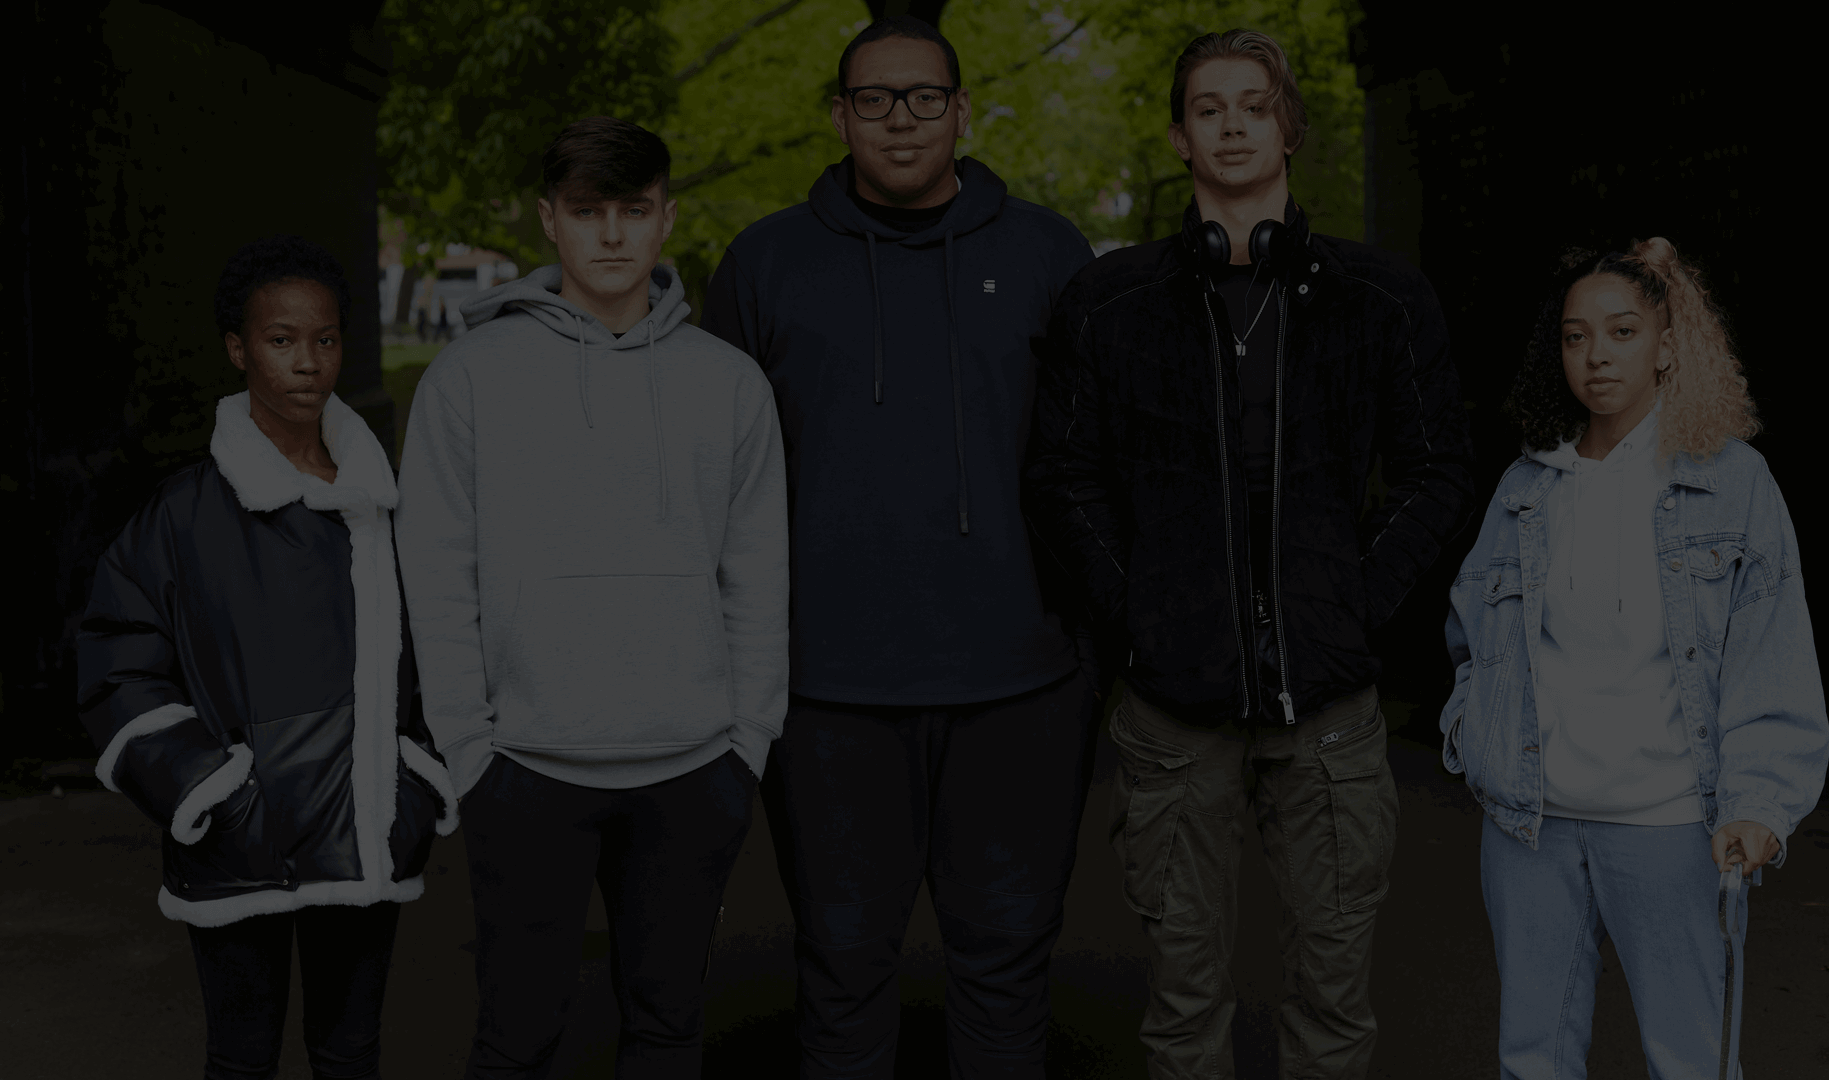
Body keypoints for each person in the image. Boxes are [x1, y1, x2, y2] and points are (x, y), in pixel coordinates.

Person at [1025, 28, 1477, 1080]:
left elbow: (1436, 472)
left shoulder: (1381, 299)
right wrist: (1144, 613)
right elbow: (1062, 478)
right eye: (1209, 108)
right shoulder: (1111, 303)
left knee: (1333, 996)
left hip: (1327, 707)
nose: (1232, 124)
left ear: (1288, 128)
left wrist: (1354, 605)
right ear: (1180, 137)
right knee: (1183, 1002)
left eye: (1254, 104)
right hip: (1172, 709)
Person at [700, 14, 1100, 1078]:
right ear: (839, 115)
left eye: (925, 96)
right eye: (875, 98)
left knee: (1007, 966)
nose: (902, 118)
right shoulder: (765, 264)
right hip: (827, 690)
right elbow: (714, 485)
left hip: (1022, 684)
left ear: (964, 111)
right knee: (841, 968)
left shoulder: (1050, 254)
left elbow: (1105, 463)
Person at [394, 116, 789, 1078]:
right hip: (525, 766)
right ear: (548, 222)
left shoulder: (730, 385)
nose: (611, 235)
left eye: (633, 211)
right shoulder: (468, 380)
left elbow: (757, 572)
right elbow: (437, 573)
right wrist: (469, 746)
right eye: (587, 212)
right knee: (518, 1034)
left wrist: (748, 740)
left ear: (666, 221)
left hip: (693, 765)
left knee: (665, 1029)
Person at [1440, 238, 1828, 1079]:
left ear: (1667, 346)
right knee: (1532, 1061)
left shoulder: (1733, 483)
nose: (1597, 356)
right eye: (1576, 337)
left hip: (1670, 827)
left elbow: (1773, 649)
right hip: (1529, 829)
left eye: (1621, 331)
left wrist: (1760, 800)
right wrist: (1476, 732)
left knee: (1687, 1061)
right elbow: (1472, 638)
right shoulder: (1526, 486)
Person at [77, 234, 454, 1080]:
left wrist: (417, 778)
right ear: (238, 349)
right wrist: (209, 789)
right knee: (242, 1060)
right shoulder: (181, 514)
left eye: (324, 339)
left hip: (366, 833)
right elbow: (115, 658)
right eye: (281, 340)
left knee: (350, 1053)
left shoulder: (383, 505)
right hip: (237, 840)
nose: (306, 362)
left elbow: (445, 645)